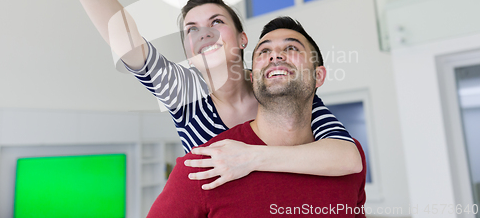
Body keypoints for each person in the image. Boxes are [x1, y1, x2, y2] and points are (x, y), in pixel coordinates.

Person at [39, 0, 362, 190]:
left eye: (216, 22)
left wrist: (252, 157)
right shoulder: (183, 92)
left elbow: (347, 158)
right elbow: (125, 37)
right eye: (191, 29)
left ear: (242, 39)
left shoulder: (274, 87)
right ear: (187, 51)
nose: (203, 34)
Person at [147, 17, 367, 217]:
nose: (276, 55)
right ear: (252, 78)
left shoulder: (348, 162)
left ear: (318, 76)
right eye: (263, 51)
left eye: (291, 48)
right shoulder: (206, 165)